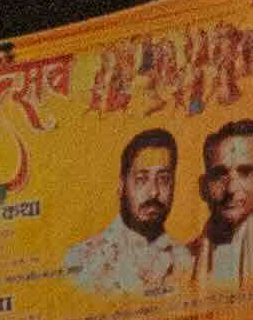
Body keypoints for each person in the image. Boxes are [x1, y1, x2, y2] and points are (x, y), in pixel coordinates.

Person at [61, 129, 190, 301]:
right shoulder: (81, 260)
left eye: (164, 179)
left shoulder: (188, 262)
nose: (153, 192)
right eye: (141, 179)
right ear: (122, 186)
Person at [191, 115, 253, 309]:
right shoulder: (185, 261)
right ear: (203, 187)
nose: (231, 189)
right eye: (219, 175)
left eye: (245, 172)